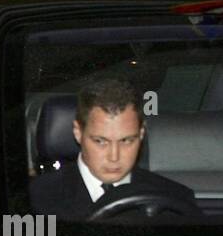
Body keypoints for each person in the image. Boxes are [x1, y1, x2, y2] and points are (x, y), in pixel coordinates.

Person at [29, 78, 196, 219]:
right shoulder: (35, 200)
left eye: (126, 141)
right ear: (78, 132)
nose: (114, 157)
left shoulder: (175, 200)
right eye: (100, 141)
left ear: (142, 134)